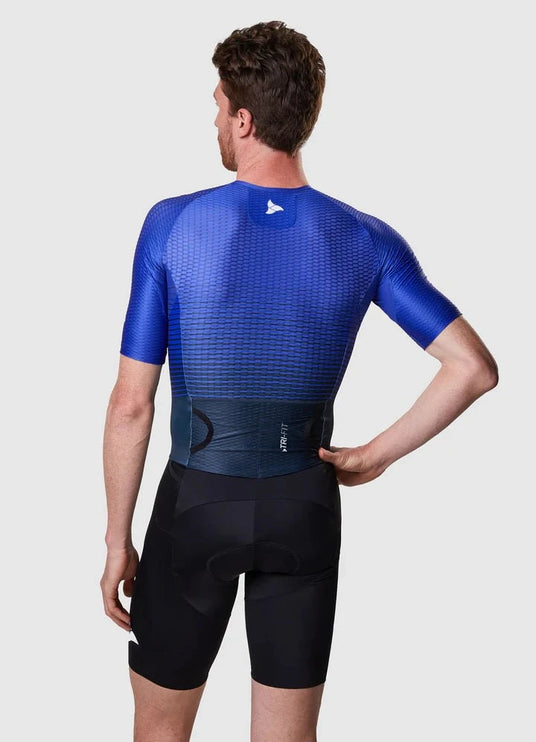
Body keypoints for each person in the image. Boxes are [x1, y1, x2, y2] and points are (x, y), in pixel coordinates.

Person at [101, 19, 498, 742]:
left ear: (243, 119)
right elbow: (472, 367)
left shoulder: (172, 225)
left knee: (159, 734)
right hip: (304, 506)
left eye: (218, 106)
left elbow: (133, 405)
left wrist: (116, 541)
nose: (214, 121)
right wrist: (375, 455)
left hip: (195, 505)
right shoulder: (364, 239)